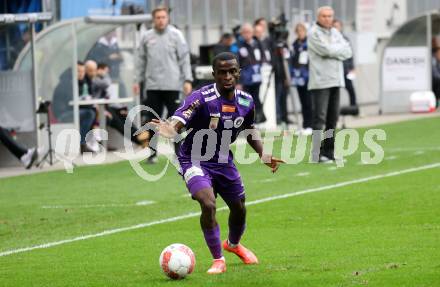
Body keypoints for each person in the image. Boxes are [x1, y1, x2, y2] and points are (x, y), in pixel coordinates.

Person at [150, 52, 284, 274]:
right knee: (208, 203)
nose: (228, 76)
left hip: (223, 160)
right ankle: (218, 259)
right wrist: (171, 128)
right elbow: (179, 120)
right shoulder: (201, 98)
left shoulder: (246, 101)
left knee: (239, 208)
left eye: (232, 71)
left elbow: (249, 130)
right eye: (222, 72)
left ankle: (233, 245)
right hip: (193, 159)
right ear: (214, 75)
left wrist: (263, 154)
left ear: (238, 72)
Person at [133, 6, 193, 163]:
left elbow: (184, 59)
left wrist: (187, 79)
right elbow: (140, 60)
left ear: (168, 19)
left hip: (172, 85)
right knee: (152, 121)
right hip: (152, 86)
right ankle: (152, 154)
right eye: (158, 17)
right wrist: (136, 80)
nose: (161, 20)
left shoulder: (176, 35)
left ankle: (179, 153)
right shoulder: (146, 37)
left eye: (163, 17)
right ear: (153, 19)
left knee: (175, 121)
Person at [307, 6, 352, 163]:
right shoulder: (313, 33)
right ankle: (316, 154)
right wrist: (337, 50)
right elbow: (325, 50)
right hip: (320, 81)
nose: (327, 19)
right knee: (320, 119)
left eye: (330, 16)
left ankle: (329, 151)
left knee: (333, 118)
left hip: (336, 79)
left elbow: (348, 51)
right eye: (324, 16)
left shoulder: (335, 32)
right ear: (318, 17)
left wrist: (335, 50)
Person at [52, 61, 96, 153]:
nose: (81, 74)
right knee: (89, 113)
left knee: (92, 112)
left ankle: (89, 142)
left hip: (74, 110)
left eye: (83, 71)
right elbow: (71, 101)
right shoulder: (66, 82)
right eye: (78, 71)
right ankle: (82, 143)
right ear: (72, 71)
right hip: (63, 113)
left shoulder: (83, 82)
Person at [236, 23, 266, 123]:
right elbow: (237, 64)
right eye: (244, 32)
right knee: (245, 100)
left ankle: (259, 119)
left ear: (252, 33)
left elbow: (263, 57)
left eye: (248, 32)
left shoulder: (257, 43)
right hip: (245, 79)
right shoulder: (239, 46)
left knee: (256, 98)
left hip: (256, 78)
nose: (246, 34)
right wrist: (238, 82)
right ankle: (247, 120)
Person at [291, 23, 313, 135]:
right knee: (303, 102)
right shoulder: (294, 44)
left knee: (309, 102)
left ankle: (310, 125)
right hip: (298, 78)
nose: (300, 33)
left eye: (302, 31)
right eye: (298, 31)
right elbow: (293, 60)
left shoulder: (309, 43)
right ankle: (305, 125)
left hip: (308, 76)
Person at [333, 19, 358, 107]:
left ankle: (353, 108)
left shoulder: (345, 39)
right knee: (334, 93)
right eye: (334, 27)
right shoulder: (330, 40)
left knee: (350, 89)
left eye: (337, 27)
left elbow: (350, 55)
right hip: (334, 72)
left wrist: (352, 68)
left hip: (345, 70)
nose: (336, 29)